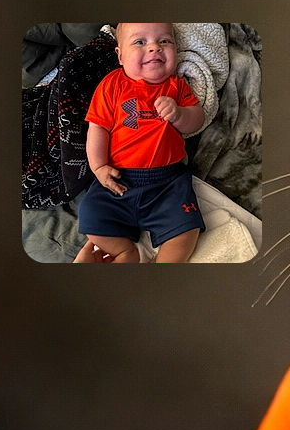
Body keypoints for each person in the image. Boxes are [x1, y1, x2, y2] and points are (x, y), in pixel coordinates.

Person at [75, 23, 205, 264]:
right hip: (120, 181)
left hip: (168, 183)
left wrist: (179, 114)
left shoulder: (176, 86)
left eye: (165, 41)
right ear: (120, 55)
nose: (155, 48)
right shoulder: (111, 84)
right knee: (90, 216)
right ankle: (124, 251)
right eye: (140, 42)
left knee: (187, 229)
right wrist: (99, 167)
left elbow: (196, 120)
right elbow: (97, 128)